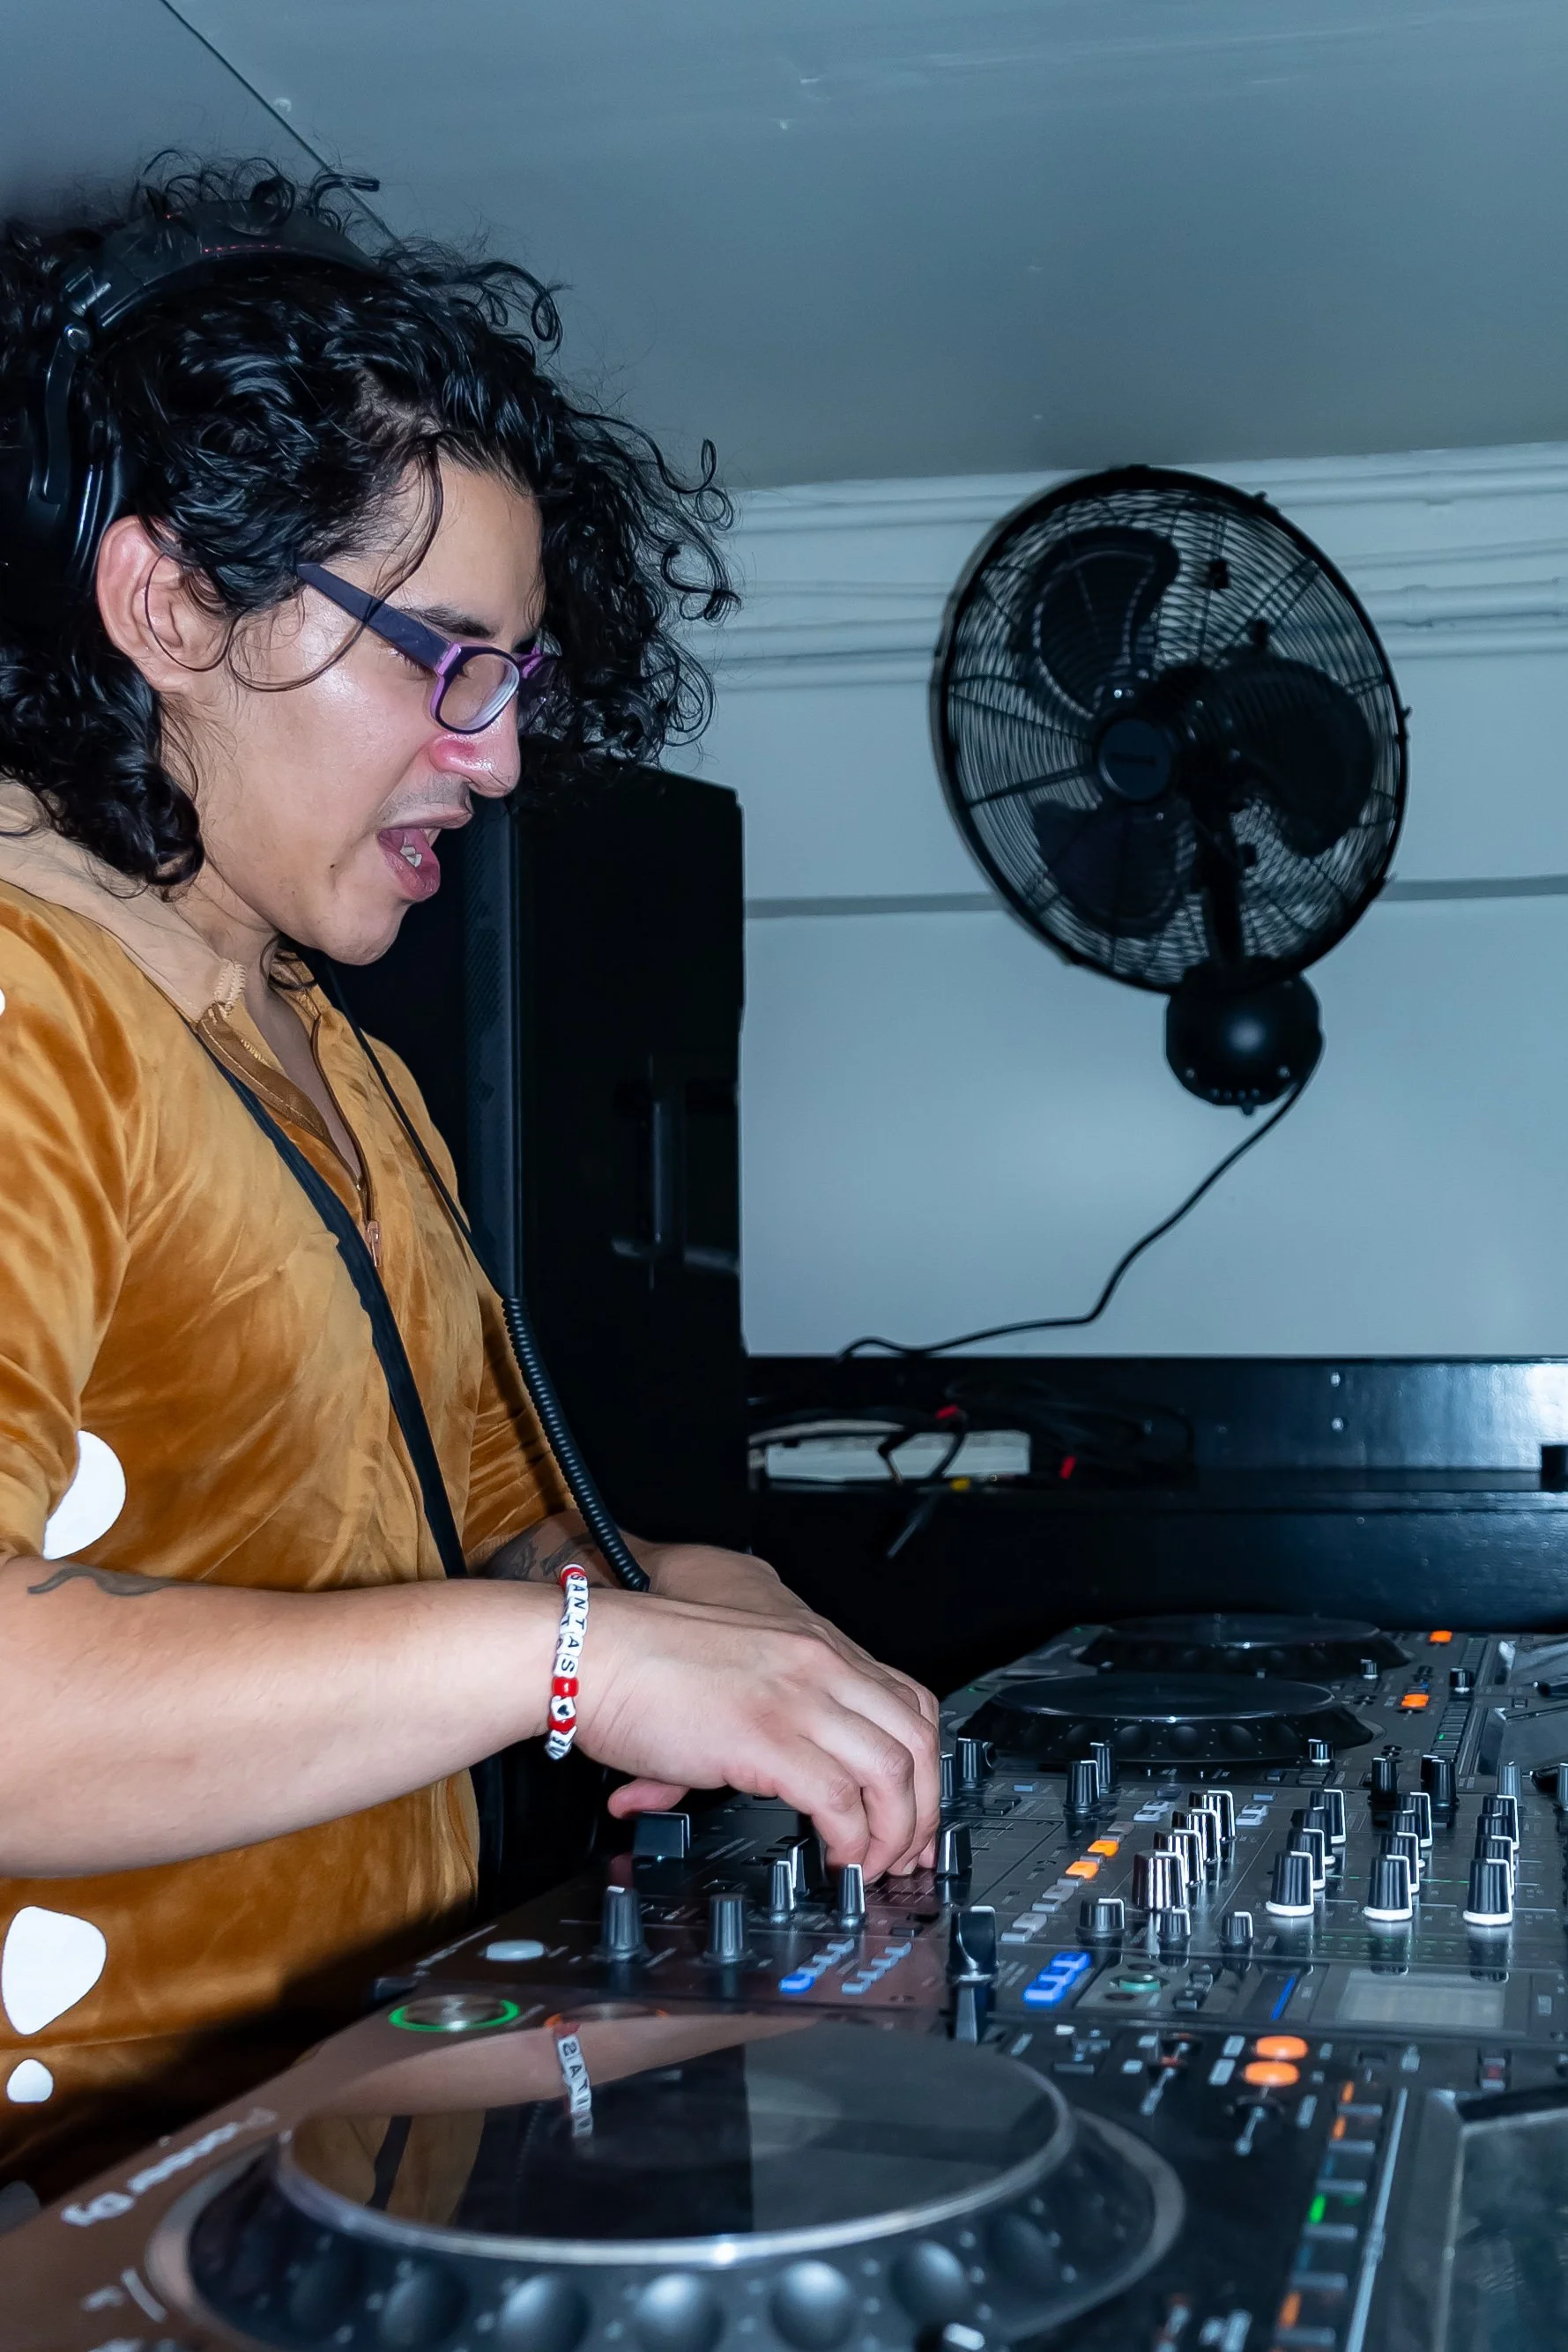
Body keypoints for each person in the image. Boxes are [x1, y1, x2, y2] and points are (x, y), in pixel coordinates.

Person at [0, 164, 939, 2205]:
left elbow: (441, 1544)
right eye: (442, 657)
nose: (499, 758)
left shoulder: (333, 1057)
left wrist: (648, 1601)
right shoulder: (18, 1002)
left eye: (511, 676)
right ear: (167, 606)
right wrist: (581, 1659)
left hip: (325, 2152)